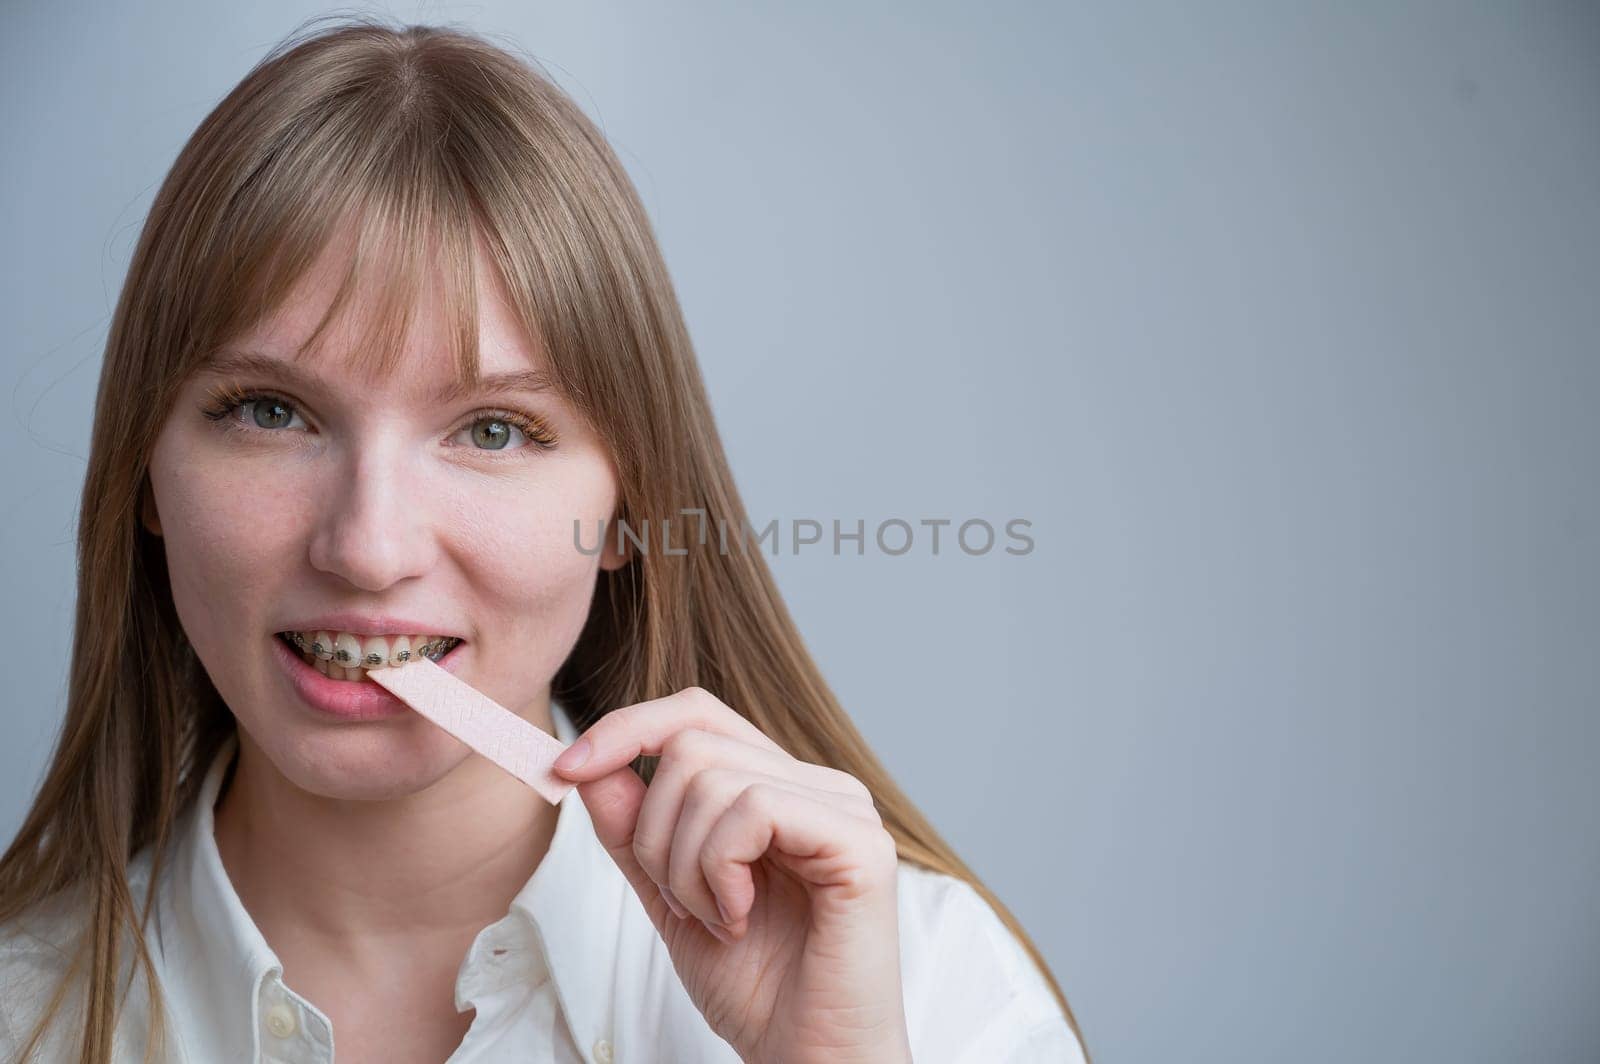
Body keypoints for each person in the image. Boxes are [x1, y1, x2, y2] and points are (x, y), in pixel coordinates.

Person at [0, 17, 1089, 1064]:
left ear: (627, 508)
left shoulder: (925, 994)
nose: (369, 547)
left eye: (492, 430)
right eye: (271, 412)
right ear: (145, 468)